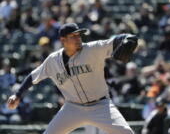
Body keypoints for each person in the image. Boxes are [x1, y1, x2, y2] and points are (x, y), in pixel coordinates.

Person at [7, 23, 138, 134]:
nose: (78, 38)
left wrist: (128, 38)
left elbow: (116, 41)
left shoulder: (92, 49)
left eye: (79, 35)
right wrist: (18, 95)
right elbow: (33, 77)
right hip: (72, 108)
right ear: (63, 40)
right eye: (73, 36)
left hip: (101, 106)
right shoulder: (52, 60)